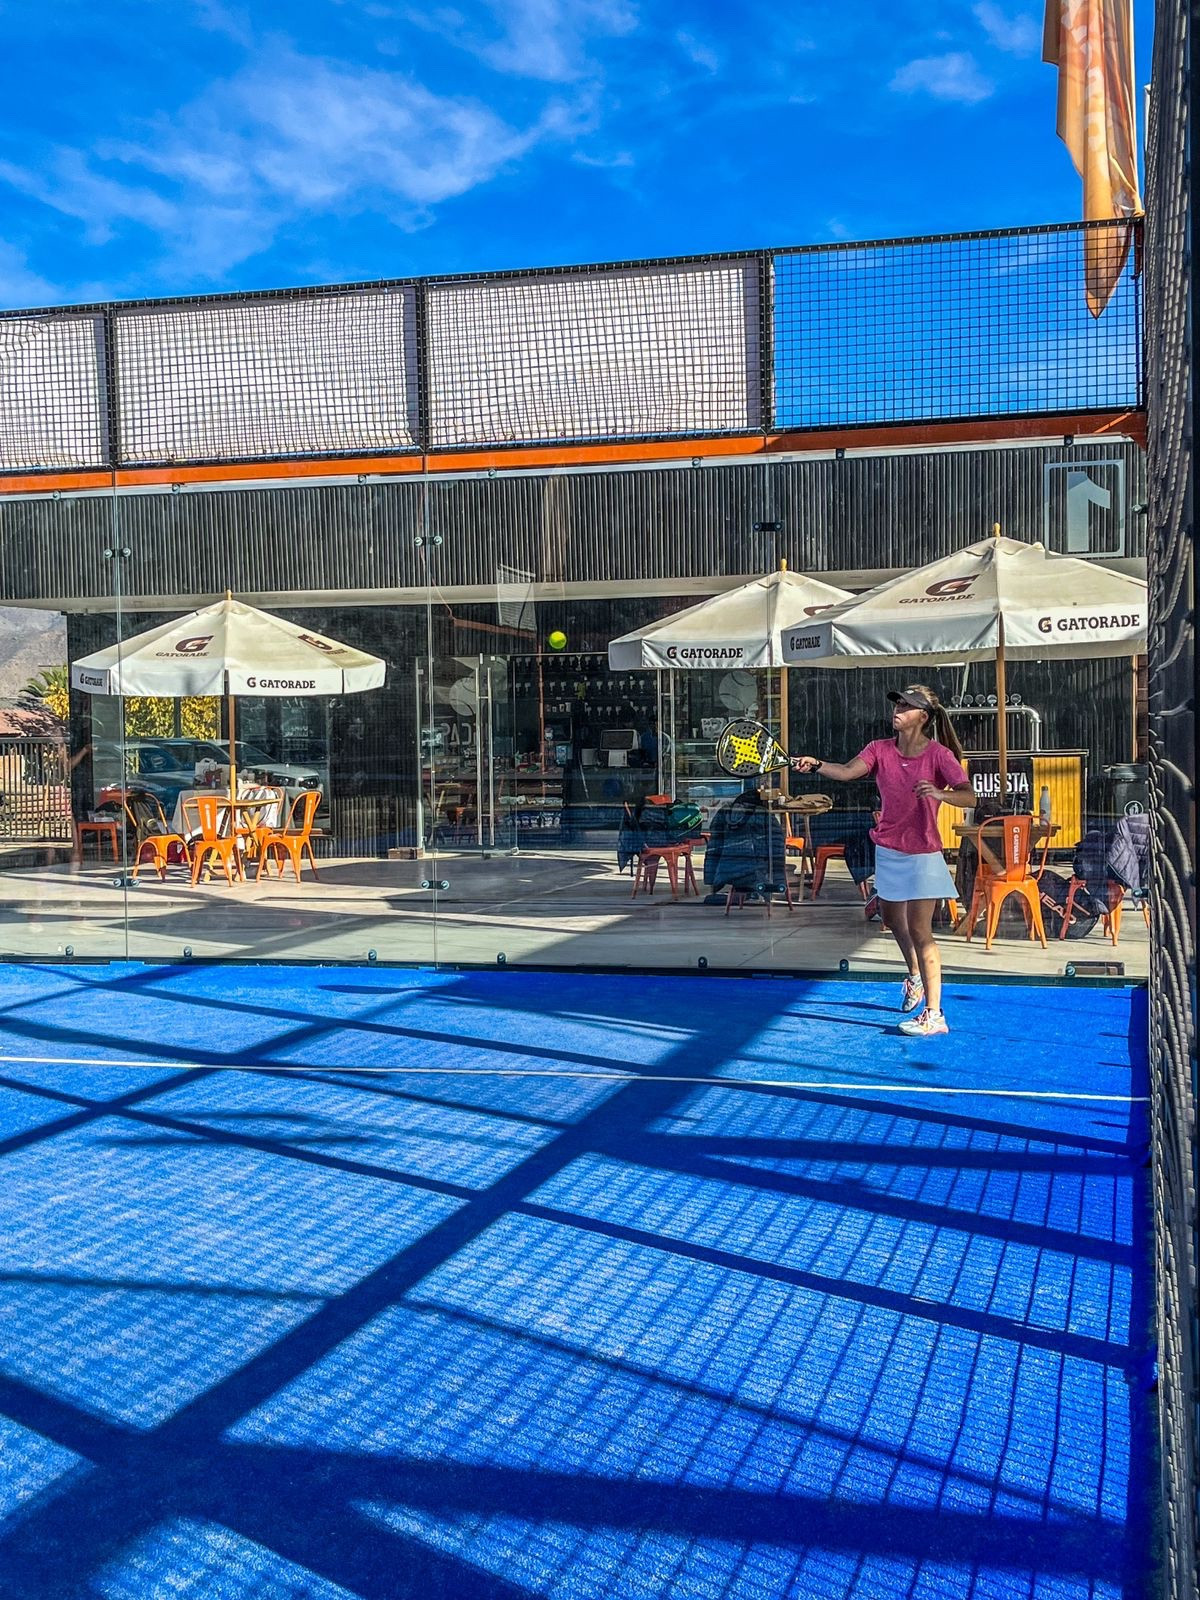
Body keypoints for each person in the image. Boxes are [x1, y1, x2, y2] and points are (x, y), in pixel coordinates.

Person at [793, 685, 976, 1037]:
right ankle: (915, 976)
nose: (898, 710)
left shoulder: (939, 755)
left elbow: (970, 797)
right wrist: (816, 764)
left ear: (923, 717)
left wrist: (939, 793)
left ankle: (935, 1014)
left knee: (920, 929)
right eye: (897, 704)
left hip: (923, 855)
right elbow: (847, 771)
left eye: (906, 706)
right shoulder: (879, 749)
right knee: (892, 919)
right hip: (889, 850)